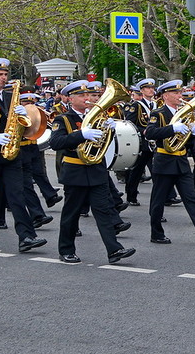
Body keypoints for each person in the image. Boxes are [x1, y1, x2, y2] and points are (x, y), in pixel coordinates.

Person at [49, 80, 135, 265]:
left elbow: (103, 145)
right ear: (71, 98)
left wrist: (111, 130)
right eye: (81, 95)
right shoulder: (63, 119)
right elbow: (56, 143)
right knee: (71, 214)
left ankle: (114, 249)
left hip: (96, 170)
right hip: (76, 171)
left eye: (89, 95)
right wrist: (81, 134)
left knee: (104, 212)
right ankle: (66, 250)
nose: (87, 98)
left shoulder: (98, 118)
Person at [0, 58, 45, 254]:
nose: (4, 78)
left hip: (12, 155)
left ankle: (26, 236)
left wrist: (25, 116)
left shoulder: (10, 97)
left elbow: (25, 126)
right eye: (0, 74)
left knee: (17, 196)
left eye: (5, 74)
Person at [143, 80, 195, 244]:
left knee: (191, 198)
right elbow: (150, 133)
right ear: (165, 96)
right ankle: (156, 233)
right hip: (164, 160)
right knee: (158, 201)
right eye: (176, 93)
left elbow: (186, 140)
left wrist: (193, 132)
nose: (180, 96)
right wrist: (172, 128)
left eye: (180, 93)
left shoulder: (185, 113)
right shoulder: (158, 113)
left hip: (181, 160)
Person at [122, 78, 157, 206]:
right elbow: (130, 124)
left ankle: (169, 196)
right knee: (137, 170)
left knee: (159, 170)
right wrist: (143, 131)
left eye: (152, 88)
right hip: (142, 143)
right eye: (148, 88)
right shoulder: (136, 105)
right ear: (142, 91)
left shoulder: (157, 105)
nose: (151, 90)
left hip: (156, 142)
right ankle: (131, 196)